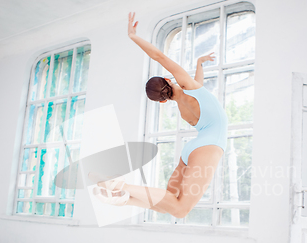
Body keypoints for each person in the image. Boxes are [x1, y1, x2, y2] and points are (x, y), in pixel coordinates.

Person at [92, 12, 228, 219]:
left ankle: (122, 197)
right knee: (181, 209)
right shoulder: (191, 89)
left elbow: (193, 80)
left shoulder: (183, 108)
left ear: (162, 101)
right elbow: (160, 56)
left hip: (191, 151)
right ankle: (118, 184)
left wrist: (200, 64)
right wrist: (134, 36)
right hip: (208, 146)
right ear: (167, 80)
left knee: (169, 202)